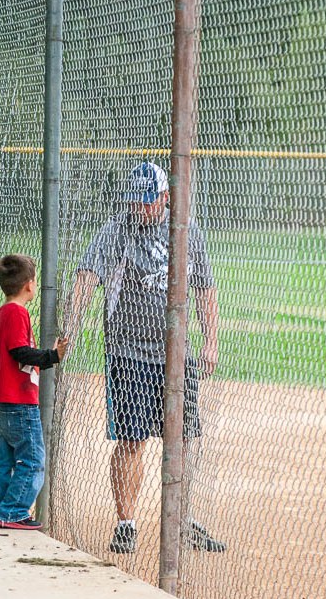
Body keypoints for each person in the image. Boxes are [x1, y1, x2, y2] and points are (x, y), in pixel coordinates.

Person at [64, 161, 225, 554]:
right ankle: (126, 524)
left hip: (176, 353)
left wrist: (210, 341)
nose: (140, 208)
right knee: (132, 439)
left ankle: (181, 519)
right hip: (128, 352)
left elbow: (204, 288)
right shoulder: (116, 230)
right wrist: (71, 325)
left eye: (148, 201)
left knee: (181, 439)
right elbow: (86, 277)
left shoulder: (186, 231)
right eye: (135, 200)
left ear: (165, 197)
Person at [0, 253, 68, 530]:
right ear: (29, 285)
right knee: (33, 460)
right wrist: (51, 356)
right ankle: (11, 512)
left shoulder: (1, 313)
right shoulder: (16, 313)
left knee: (5, 459)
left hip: (1, 401)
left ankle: (0, 511)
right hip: (18, 402)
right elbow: (19, 352)